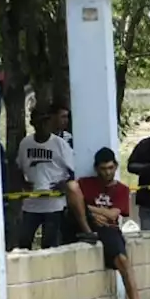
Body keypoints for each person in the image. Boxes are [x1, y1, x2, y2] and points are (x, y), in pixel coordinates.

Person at [77, 148, 144, 299]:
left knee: (124, 261)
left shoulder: (121, 189)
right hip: (89, 227)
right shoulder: (84, 183)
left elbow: (113, 215)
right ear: (96, 168)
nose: (107, 172)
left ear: (115, 166)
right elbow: (73, 201)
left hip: (110, 229)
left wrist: (89, 208)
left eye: (110, 168)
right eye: (103, 169)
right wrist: (92, 215)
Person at [16, 104, 97, 249]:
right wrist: (23, 182)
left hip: (53, 204)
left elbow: (73, 171)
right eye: (39, 121)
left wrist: (64, 183)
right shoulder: (25, 144)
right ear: (32, 123)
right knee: (23, 243)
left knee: (49, 244)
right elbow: (19, 167)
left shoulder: (60, 144)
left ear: (50, 122)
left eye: (45, 121)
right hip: (31, 203)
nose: (42, 125)